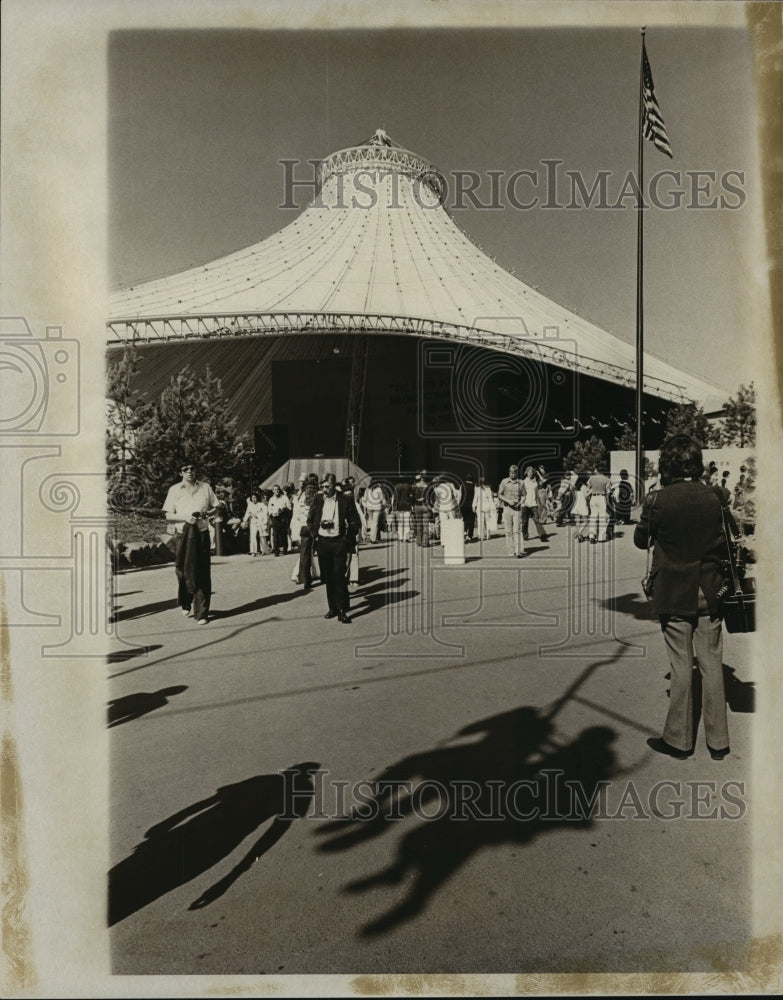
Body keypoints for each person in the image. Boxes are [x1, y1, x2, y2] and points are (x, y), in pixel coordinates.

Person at [634, 434, 730, 761]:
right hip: (710, 590)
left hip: (674, 591)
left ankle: (679, 740)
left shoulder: (658, 500)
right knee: (711, 662)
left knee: (681, 665)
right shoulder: (717, 496)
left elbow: (640, 540)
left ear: (668, 464)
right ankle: (719, 743)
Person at [163, 462, 219, 624]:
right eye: (185, 469)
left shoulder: (205, 487)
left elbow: (216, 507)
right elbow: (168, 516)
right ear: (180, 472)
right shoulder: (174, 490)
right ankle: (185, 600)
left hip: (201, 534)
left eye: (192, 468)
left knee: (201, 571)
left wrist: (208, 513)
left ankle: (202, 612)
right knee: (182, 571)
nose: (189, 471)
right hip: (182, 535)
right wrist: (185, 518)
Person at [307, 473, 360, 623]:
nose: (324, 489)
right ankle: (333, 608)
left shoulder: (345, 499)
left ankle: (342, 610)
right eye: (322, 486)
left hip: (339, 542)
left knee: (339, 575)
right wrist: (315, 535)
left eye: (327, 486)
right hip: (323, 542)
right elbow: (310, 519)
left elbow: (355, 521)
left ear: (334, 485)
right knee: (328, 576)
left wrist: (347, 540)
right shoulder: (317, 499)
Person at [497, 464, 525, 557]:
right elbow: (499, 494)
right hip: (507, 508)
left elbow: (524, 495)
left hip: (517, 509)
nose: (511, 474)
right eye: (510, 473)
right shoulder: (504, 482)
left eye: (513, 473)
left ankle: (518, 551)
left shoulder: (521, 483)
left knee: (517, 529)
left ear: (517, 473)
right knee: (508, 531)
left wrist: (521, 503)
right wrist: (508, 500)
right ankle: (510, 550)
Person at [521, 465, 547, 543]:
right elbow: (522, 493)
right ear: (526, 473)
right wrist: (522, 502)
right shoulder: (523, 482)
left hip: (533, 504)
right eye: (529, 472)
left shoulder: (535, 482)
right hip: (525, 504)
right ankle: (525, 536)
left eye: (532, 472)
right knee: (525, 521)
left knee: (536, 520)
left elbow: (537, 493)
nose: (530, 474)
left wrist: (538, 503)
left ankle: (542, 535)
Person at [586, 465, 611, 543]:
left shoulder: (592, 478)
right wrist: (607, 500)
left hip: (593, 497)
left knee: (593, 517)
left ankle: (591, 536)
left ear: (597, 470)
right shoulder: (607, 479)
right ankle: (601, 537)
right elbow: (608, 492)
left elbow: (588, 488)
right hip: (601, 497)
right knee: (602, 518)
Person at [267, 484, 291, 556]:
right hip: (275, 518)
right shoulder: (271, 499)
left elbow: (289, 507)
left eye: (278, 489)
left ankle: (285, 550)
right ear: (273, 491)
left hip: (283, 517)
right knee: (275, 534)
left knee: (283, 534)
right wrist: (272, 514)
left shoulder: (284, 497)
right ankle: (276, 551)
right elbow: (269, 510)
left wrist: (283, 510)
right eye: (275, 490)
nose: (277, 491)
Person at [241, 492, 267, 557]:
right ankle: (253, 551)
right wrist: (244, 520)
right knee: (253, 536)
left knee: (262, 535)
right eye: (252, 497)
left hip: (260, 521)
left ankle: (263, 550)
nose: (253, 499)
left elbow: (265, 512)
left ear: (257, 498)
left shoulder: (261, 504)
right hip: (253, 522)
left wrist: (263, 519)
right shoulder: (250, 505)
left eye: (255, 497)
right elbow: (247, 513)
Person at [410, 471, 431, 547]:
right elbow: (431, 496)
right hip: (426, 506)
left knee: (419, 524)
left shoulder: (415, 485)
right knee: (425, 525)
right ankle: (425, 542)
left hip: (417, 506)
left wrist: (412, 505)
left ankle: (419, 541)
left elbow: (411, 497)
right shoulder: (428, 485)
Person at [472, 476, 495, 540]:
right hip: (487, 505)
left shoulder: (477, 489)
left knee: (480, 521)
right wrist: (492, 507)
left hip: (480, 506)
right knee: (488, 521)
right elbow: (490, 499)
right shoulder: (488, 489)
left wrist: (474, 506)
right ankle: (488, 534)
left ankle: (481, 536)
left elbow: (475, 498)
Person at [392, 476, 413, 542]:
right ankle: (406, 538)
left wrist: (394, 507)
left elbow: (395, 498)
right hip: (407, 506)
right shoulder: (409, 486)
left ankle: (400, 537)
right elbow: (411, 496)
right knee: (407, 522)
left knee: (400, 523)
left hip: (399, 507)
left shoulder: (397, 486)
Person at [572, 476, 590, 541]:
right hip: (582, 503)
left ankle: (579, 536)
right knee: (586, 520)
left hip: (576, 503)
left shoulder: (575, 487)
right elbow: (586, 496)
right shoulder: (584, 486)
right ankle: (579, 533)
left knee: (577, 521)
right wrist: (590, 491)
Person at [460, 472, 476, 542]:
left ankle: (464, 531)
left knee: (464, 519)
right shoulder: (474, 486)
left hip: (463, 505)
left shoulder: (462, 485)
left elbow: (460, 495)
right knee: (472, 520)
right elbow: (476, 496)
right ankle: (470, 536)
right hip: (471, 505)